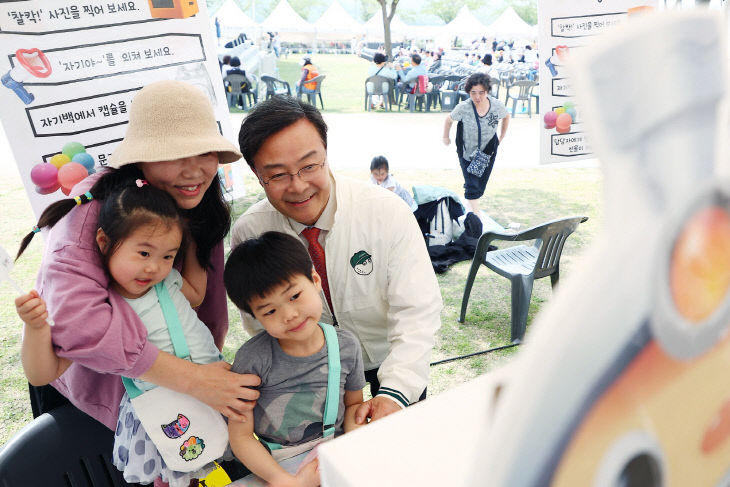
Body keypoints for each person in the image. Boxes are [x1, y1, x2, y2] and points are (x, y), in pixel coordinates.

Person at [17, 80, 260, 483]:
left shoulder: (200, 201)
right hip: (96, 401)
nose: (194, 168)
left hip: (180, 396)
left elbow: (202, 302)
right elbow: (78, 324)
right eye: (175, 154)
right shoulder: (95, 208)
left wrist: (203, 371)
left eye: (205, 152)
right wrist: (195, 380)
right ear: (140, 156)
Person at [232, 95, 442, 424]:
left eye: (309, 166)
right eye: (277, 175)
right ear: (256, 174)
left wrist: (396, 392)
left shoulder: (385, 212)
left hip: (392, 359)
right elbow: (259, 321)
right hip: (312, 378)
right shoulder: (250, 233)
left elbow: (417, 310)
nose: (298, 186)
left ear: (326, 155)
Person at [16, 184, 231, 486]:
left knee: (221, 463)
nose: (153, 267)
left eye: (168, 255)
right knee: (177, 476)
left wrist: (193, 241)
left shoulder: (165, 278)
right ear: (103, 241)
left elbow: (195, 294)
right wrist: (35, 327)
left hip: (212, 388)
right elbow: (42, 373)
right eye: (143, 252)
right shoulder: (101, 310)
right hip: (161, 410)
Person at [224, 232, 366, 487]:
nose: (289, 315)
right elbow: (241, 437)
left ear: (314, 280)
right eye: (270, 311)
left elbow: (354, 405)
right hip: (276, 467)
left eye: (294, 296)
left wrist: (353, 448)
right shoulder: (252, 359)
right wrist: (283, 480)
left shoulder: (346, 345)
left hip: (336, 453)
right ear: (255, 316)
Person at [442, 72, 510, 215]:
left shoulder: (496, 105)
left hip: (488, 150)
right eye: (473, 93)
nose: (477, 97)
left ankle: (470, 205)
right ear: (468, 92)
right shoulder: (464, 107)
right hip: (467, 151)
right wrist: (445, 137)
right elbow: (448, 120)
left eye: (481, 93)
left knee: (480, 185)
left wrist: (502, 136)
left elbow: (506, 116)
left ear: (487, 91)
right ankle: (477, 218)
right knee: (471, 185)